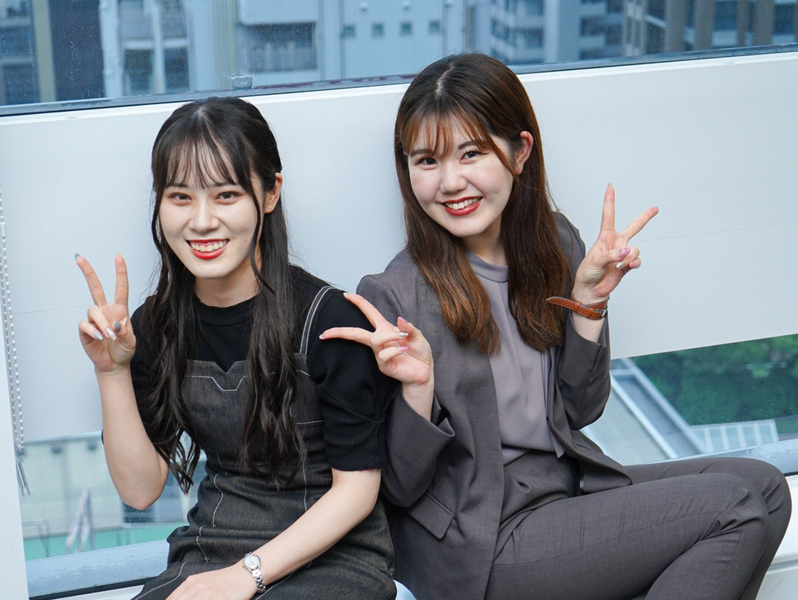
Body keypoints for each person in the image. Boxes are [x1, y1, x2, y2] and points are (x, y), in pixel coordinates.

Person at [321, 54, 791, 600]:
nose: (450, 182)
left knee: (767, 488)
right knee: (735, 508)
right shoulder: (395, 295)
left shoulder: (557, 245)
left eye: (471, 153)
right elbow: (401, 488)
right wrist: (418, 391)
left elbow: (581, 410)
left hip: (565, 487)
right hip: (486, 535)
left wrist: (589, 302)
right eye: (426, 160)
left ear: (520, 152)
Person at [76, 97, 395, 600]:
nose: (202, 221)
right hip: (214, 546)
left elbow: (357, 492)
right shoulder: (154, 328)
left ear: (270, 193)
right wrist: (111, 372)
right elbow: (139, 491)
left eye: (225, 195)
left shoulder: (328, 320)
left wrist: (244, 577)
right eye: (180, 197)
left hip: (337, 553)